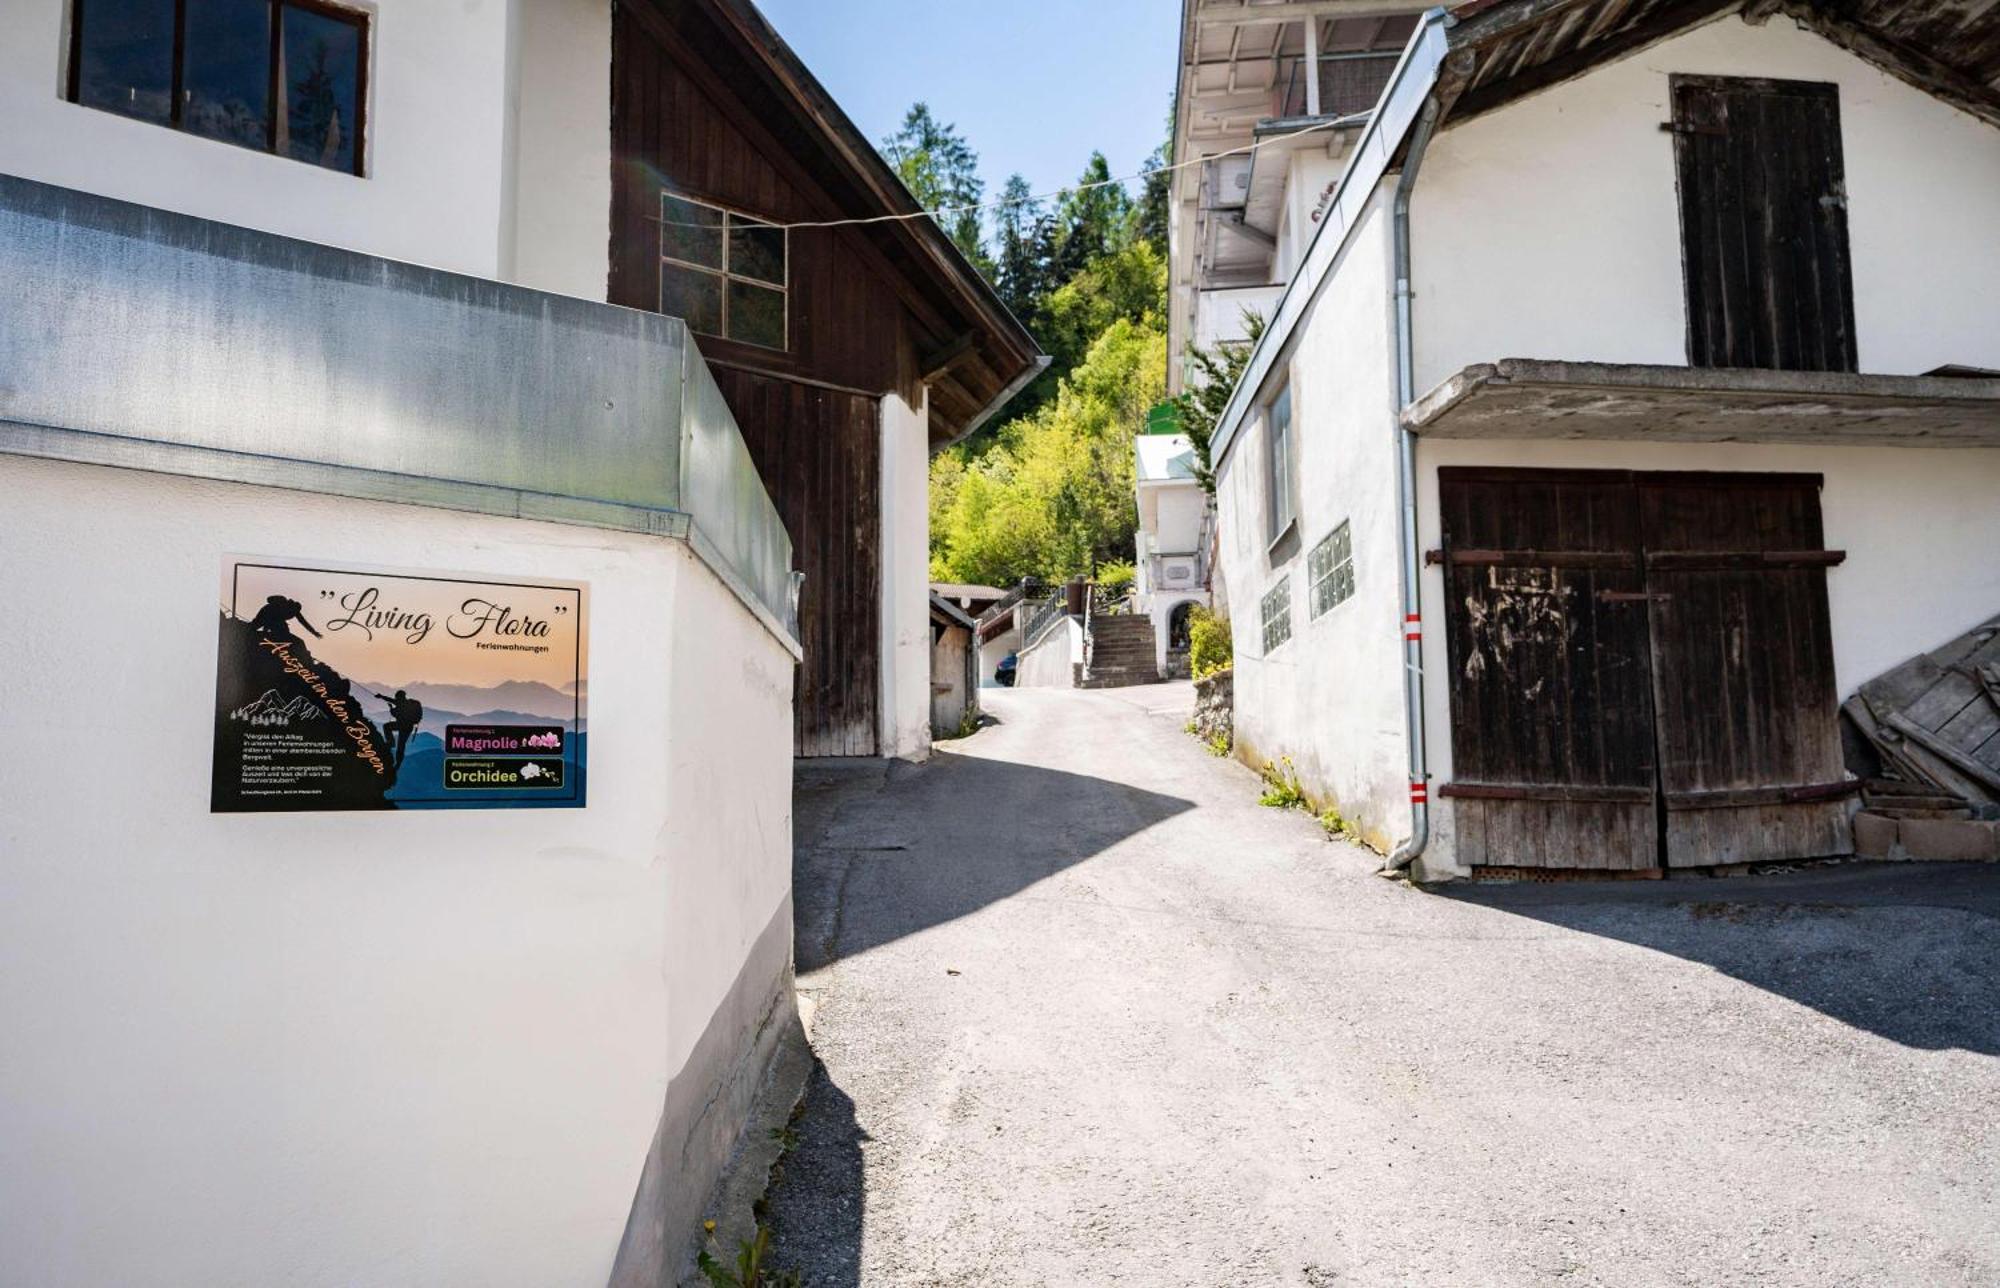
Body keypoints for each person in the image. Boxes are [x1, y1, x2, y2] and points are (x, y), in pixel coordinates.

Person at [374, 689, 424, 769]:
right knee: (401, 745)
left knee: (387, 727)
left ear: (399, 697)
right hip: (408, 727)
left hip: (401, 725)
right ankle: (398, 763)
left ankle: (391, 742)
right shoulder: (408, 703)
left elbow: (395, 713)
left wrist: (391, 708)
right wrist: (381, 696)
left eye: (397, 697)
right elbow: (391, 700)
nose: (396, 699)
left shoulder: (400, 703)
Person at [248, 594, 321, 641]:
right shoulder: (281, 605)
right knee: (254, 626)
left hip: (275, 620)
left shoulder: (295, 611)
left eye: (295, 612)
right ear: (292, 607)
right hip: (265, 614)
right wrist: (265, 630)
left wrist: (314, 632)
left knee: (284, 631)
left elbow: (304, 622)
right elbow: (269, 616)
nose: (293, 614)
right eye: (293, 611)